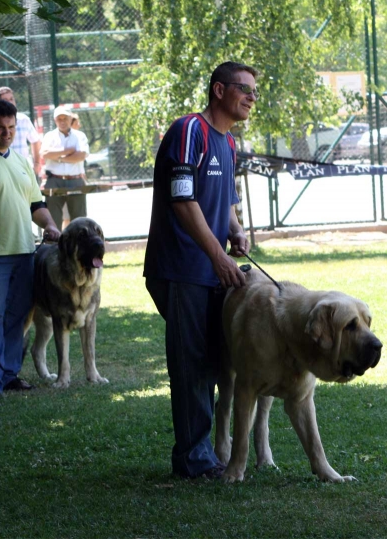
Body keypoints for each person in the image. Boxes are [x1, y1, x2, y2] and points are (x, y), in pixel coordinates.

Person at [143, 61, 256, 479]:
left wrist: (236, 232)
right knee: (190, 363)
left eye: (254, 92)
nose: (250, 97)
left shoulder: (227, 144)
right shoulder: (190, 130)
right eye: (243, 89)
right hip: (181, 268)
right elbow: (183, 200)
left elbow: (222, 203)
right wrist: (218, 256)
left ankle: (203, 452)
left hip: (210, 270)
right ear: (218, 90)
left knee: (209, 361)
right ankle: (193, 460)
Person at [0, 99, 60, 399]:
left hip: (25, 251)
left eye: (11, 128)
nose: (6, 133)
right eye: (0, 127)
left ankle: (9, 374)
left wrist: (50, 225)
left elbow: (36, 205)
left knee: (17, 316)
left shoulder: (21, 161)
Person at [40, 106, 89, 230]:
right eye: (59, 119)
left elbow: (81, 155)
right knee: (53, 219)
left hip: (76, 180)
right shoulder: (49, 136)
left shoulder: (80, 136)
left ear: (70, 119)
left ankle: (78, 247)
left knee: (79, 220)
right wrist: (68, 151)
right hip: (54, 180)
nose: (62, 121)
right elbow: (45, 153)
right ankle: (53, 248)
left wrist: (58, 158)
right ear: (55, 120)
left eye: (65, 118)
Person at [0, 86, 42, 179]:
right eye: (6, 99)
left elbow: (35, 140)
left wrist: (36, 164)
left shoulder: (24, 119)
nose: (10, 102)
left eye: (12, 99)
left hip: (23, 170)